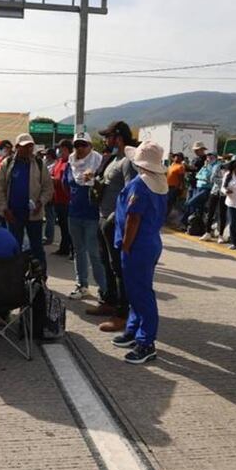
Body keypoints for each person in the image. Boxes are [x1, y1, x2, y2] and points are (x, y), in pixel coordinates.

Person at [111, 142, 168, 364]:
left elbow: (133, 218)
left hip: (137, 246)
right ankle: (133, 330)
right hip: (150, 242)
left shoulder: (139, 185)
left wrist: (126, 245)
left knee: (141, 294)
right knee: (137, 291)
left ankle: (146, 342)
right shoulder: (160, 183)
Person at [90, 121, 138, 332]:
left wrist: (117, 220)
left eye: (107, 137)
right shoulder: (113, 159)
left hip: (114, 222)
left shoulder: (128, 161)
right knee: (106, 264)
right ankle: (109, 300)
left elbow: (131, 193)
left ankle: (122, 313)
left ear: (117, 137)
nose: (105, 141)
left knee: (118, 268)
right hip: (103, 218)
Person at [0, 133, 53, 272]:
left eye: (30, 146)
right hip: (13, 215)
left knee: (37, 248)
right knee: (14, 247)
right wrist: (4, 209)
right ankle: (15, 278)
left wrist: (40, 202)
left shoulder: (39, 164)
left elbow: (48, 188)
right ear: (17, 147)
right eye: (25, 147)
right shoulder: (7, 164)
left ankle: (41, 278)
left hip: (34, 215)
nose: (28, 149)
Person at [65, 133, 106, 300]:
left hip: (92, 215)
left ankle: (104, 289)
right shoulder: (71, 163)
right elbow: (66, 184)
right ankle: (82, 285)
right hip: (74, 213)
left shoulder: (100, 162)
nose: (80, 149)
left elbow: (105, 187)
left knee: (94, 253)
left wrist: (94, 180)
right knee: (78, 251)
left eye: (84, 145)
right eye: (77, 145)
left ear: (90, 146)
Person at [49, 139, 73, 257]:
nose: (60, 152)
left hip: (66, 200)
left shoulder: (70, 163)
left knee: (68, 228)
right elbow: (53, 174)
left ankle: (71, 250)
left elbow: (65, 180)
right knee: (63, 226)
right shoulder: (59, 162)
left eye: (63, 149)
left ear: (68, 150)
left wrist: (54, 180)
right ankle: (63, 248)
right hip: (57, 199)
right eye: (60, 149)